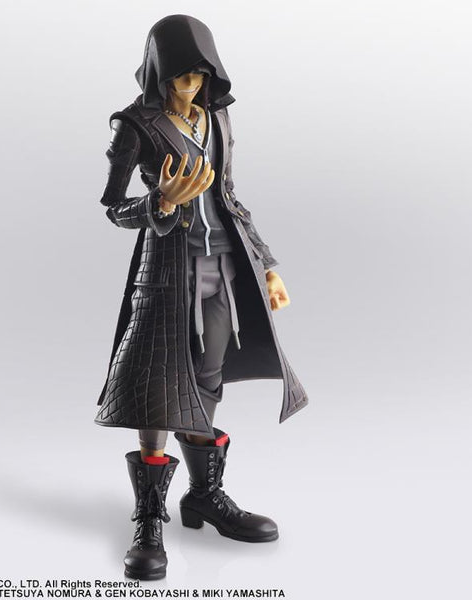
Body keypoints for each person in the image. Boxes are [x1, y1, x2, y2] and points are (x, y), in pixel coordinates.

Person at [95, 14, 308, 580]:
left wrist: (266, 265)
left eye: (199, 76)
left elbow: (229, 195)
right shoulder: (135, 124)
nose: (190, 86)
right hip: (166, 270)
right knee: (157, 385)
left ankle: (204, 495)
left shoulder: (216, 117)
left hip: (221, 266)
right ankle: (148, 517)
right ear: (159, 72)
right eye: (180, 76)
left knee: (209, 377)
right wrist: (160, 203)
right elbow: (113, 207)